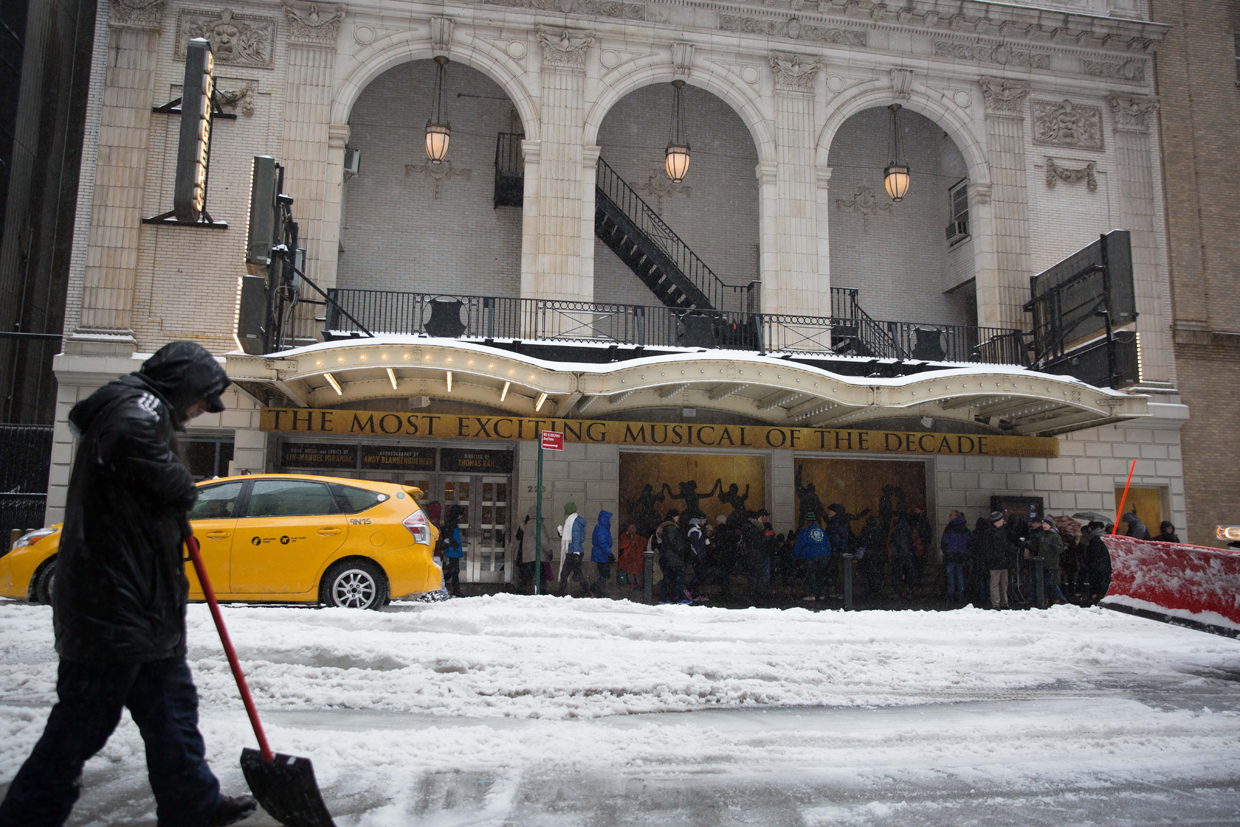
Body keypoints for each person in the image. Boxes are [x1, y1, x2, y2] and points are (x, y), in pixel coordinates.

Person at [0, 341, 256, 827]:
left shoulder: (143, 405)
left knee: (172, 714)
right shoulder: (138, 404)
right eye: (203, 399)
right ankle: (26, 816)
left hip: (142, 605)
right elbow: (126, 437)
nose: (203, 410)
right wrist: (176, 484)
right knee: (80, 725)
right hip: (113, 607)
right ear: (181, 384)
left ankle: (192, 805)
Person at [1028, 516, 1068, 605]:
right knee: (1044, 583)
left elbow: (1060, 549)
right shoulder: (1040, 534)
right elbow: (1035, 545)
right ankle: (1045, 600)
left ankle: (1056, 600)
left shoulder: (1055, 536)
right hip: (1042, 563)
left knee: (1051, 583)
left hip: (1052, 563)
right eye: (1043, 524)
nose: (1044, 526)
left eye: (1046, 524)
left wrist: (1052, 545)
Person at [793, 512, 832, 602]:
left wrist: (795, 557)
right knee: (820, 575)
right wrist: (828, 555)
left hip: (810, 556)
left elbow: (799, 545)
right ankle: (821, 594)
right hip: (823, 556)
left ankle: (812, 594)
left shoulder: (805, 531)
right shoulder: (821, 531)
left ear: (806, 521)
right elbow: (828, 544)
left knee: (811, 575)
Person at [978, 511, 1011, 609]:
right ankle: (997, 603)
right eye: (1001, 519)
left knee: (1002, 583)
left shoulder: (1000, 531)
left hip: (1000, 561)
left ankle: (1003, 602)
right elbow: (988, 549)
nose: (1003, 521)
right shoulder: (990, 533)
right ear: (997, 521)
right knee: (996, 583)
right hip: (996, 561)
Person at [741, 509, 772, 607]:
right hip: (756, 557)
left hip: (752, 557)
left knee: (754, 578)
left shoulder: (749, 528)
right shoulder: (754, 530)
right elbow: (758, 544)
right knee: (757, 578)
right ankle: (757, 598)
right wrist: (766, 538)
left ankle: (754, 598)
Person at [657, 509, 689, 603]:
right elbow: (674, 543)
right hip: (673, 558)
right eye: (677, 516)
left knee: (668, 578)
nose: (678, 518)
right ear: (673, 517)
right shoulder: (671, 527)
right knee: (678, 578)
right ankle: (680, 598)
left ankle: (664, 598)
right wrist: (682, 548)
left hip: (669, 557)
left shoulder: (667, 527)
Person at [557, 502, 587, 597]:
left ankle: (561, 594)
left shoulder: (572, 522)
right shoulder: (573, 521)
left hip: (573, 552)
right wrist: (561, 534)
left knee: (565, 574)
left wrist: (576, 553)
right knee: (574, 574)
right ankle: (588, 592)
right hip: (574, 551)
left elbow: (576, 537)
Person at [940, 511, 970, 603]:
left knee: (951, 577)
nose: (949, 516)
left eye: (951, 515)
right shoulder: (964, 528)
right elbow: (968, 542)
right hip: (960, 555)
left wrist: (946, 551)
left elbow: (944, 541)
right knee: (960, 576)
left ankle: (951, 596)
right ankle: (960, 595)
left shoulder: (949, 527)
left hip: (951, 555)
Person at [889, 516, 917, 600]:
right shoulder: (912, 530)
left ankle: (896, 591)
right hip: (909, 555)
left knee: (897, 573)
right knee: (910, 574)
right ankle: (909, 591)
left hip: (899, 555)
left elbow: (893, 541)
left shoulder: (896, 530)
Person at [589, 510, 614, 598]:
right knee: (604, 575)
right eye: (609, 519)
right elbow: (602, 542)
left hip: (600, 554)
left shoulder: (600, 527)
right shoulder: (602, 528)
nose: (610, 520)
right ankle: (593, 590)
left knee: (603, 575)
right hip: (601, 555)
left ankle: (599, 592)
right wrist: (609, 553)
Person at [1085, 521, 1112, 600]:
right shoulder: (1103, 537)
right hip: (1104, 563)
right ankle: (1103, 596)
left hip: (1098, 564)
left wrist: (1092, 562)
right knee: (1103, 580)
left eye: (1089, 527)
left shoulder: (1095, 538)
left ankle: (1102, 596)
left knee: (1100, 581)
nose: (1088, 529)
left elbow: (1094, 553)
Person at [617, 522, 647, 591]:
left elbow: (642, 544)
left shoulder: (638, 537)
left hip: (637, 558)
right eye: (630, 528)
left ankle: (639, 584)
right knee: (630, 571)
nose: (631, 529)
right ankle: (633, 584)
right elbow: (622, 544)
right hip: (628, 557)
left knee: (638, 572)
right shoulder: (624, 536)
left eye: (633, 528)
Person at [442, 505, 464, 596]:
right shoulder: (453, 523)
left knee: (453, 570)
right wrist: (454, 544)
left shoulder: (451, 522)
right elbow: (450, 536)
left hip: (453, 549)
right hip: (453, 550)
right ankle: (455, 591)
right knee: (454, 571)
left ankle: (442, 584)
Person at [685, 516, 709, 600]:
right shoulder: (695, 530)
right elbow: (694, 545)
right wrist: (699, 555)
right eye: (704, 521)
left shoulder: (696, 529)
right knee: (701, 575)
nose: (704, 522)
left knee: (699, 575)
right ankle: (689, 588)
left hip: (696, 556)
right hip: (697, 556)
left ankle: (695, 594)